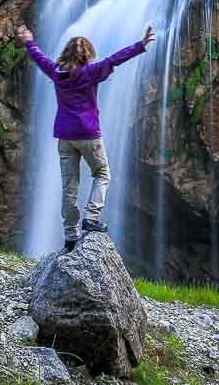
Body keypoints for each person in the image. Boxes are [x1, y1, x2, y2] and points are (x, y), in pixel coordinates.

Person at [17, 22, 155, 251]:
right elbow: (114, 60)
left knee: (69, 187)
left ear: (66, 54)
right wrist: (141, 45)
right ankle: (91, 216)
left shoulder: (56, 72)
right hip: (89, 134)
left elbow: (39, 58)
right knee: (102, 173)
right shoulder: (90, 72)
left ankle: (70, 235)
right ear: (88, 55)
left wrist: (29, 41)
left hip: (65, 137)